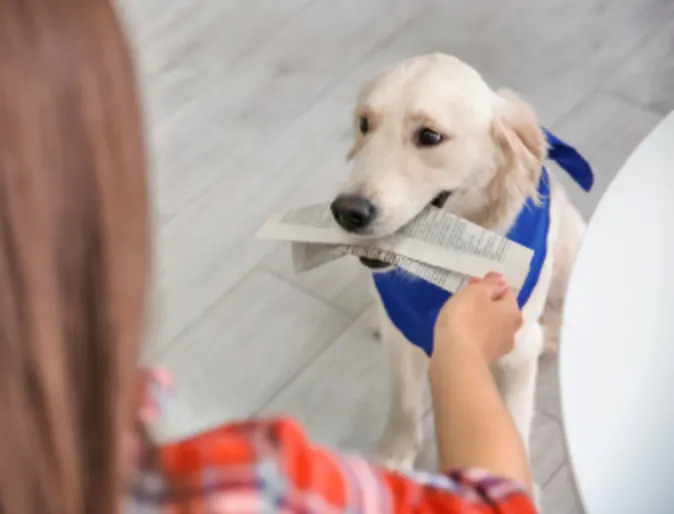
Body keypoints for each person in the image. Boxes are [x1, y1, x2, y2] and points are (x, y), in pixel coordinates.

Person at [0, 0, 536, 513]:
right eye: (365, 125)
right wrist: (459, 351)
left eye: (429, 136)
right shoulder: (243, 485)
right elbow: (503, 506)